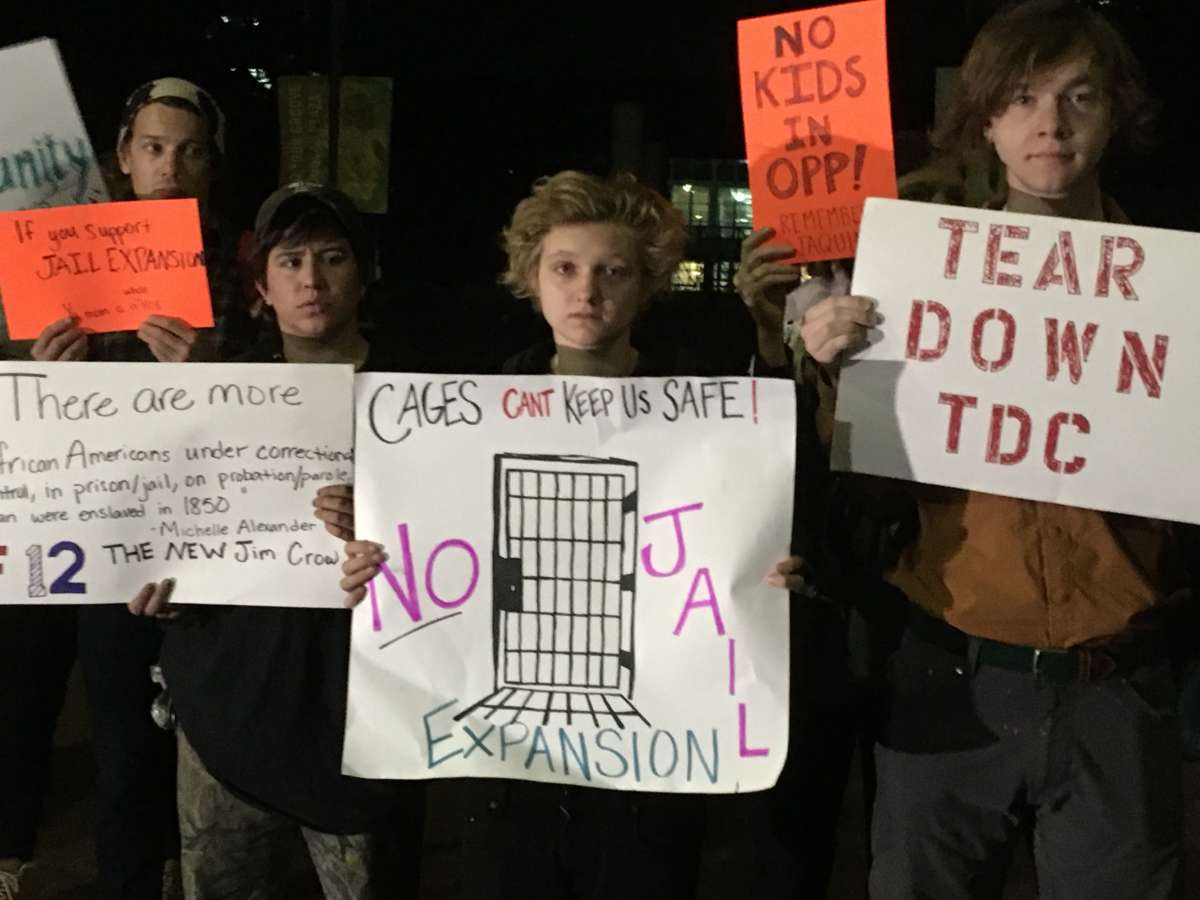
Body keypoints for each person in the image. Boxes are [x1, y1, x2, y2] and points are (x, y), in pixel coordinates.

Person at [792, 2, 1190, 896]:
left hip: (1115, 688)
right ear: (985, 121)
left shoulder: (1174, 295)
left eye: (1078, 96)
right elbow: (855, 465)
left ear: (1116, 112)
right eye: (1021, 99)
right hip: (949, 675)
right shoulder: (918, 278)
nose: (1049, 123)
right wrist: (831, 370)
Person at [341, 170, 802, 899]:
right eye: (565, 268)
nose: (587, 290)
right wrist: (375, 569)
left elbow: (750, 548)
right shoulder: (460, 427)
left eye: (612, 271)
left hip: (650, 764)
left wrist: (766, 576)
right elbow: (426, 560)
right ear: (530, 277)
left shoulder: (705, 425)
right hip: (505, 770)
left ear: (646, 284)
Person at [128, 183, 421, 899]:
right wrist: (158, 588)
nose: (311, 281)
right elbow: (172, 535)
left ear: (366, 272)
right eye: (289, 262)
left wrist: (389, 524)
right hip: (229, 713)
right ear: (261, 285)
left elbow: (460, 557)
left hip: (364, 728)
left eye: (332, 258)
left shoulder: (426, 399)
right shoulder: (217, 393)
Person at [0, 77, 250, 900]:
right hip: (42, 521)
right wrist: (38, 368)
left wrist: (207, 373)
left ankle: (130, 881)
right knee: (16, 706)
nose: (169, 166)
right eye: (153, 147)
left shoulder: (244, 274)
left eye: (189, 151)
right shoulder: (57, 252)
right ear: (123, 156)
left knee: (123, 737)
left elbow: (262, 418)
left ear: (211, 165)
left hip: (139, 541)